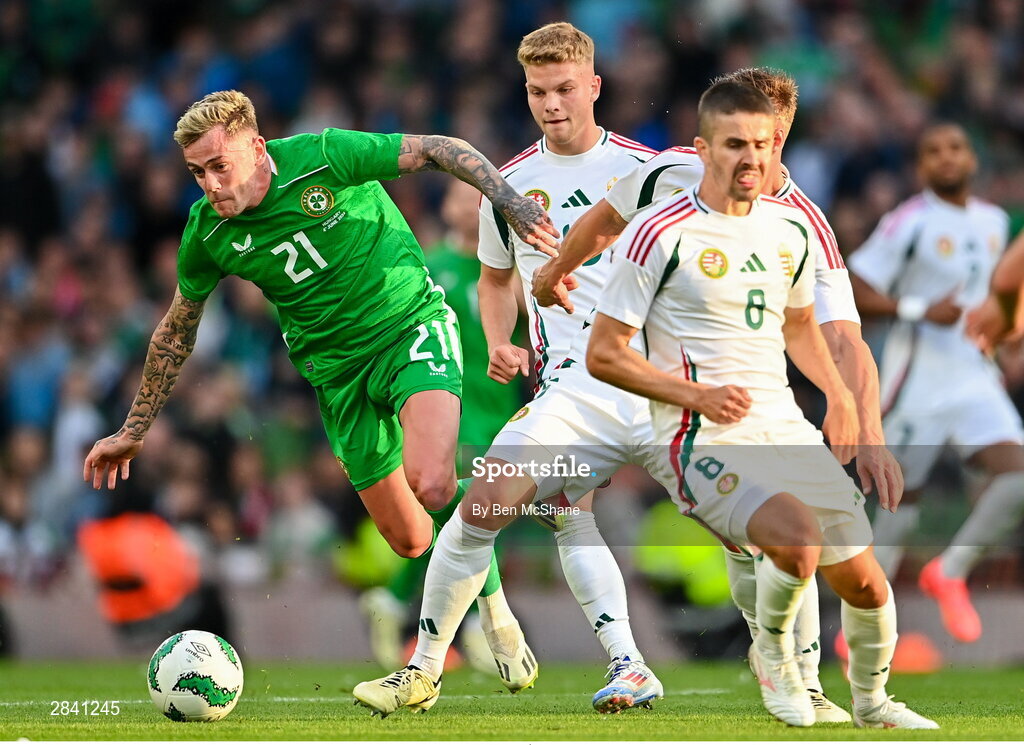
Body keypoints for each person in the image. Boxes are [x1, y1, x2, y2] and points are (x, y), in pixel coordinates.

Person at [81, 89, 557, 687]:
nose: (209, 183)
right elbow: (175, 331)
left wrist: (509, 201)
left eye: (218, 166)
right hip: (337, 377)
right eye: (196, 172)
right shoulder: (207, 235)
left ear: (256, 149)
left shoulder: (325, 156)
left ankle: (497, 615)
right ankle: (506, 493)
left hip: (407, 325)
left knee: (432, 481)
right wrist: (133, 429)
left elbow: (440, 148)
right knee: (410, 540)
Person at [532, 66, 892, 722]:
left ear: (782, 137)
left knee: (783, 531)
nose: (760, 149)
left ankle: (798, 674)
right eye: (747, 134)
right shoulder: (672, 174)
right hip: (655, 382)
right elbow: (604, 222)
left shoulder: (803, 223)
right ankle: (778, 663)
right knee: (763, 531)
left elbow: (840, 334)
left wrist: (856, 409)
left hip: (751, 400)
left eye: (773, 137)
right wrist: (556, 270)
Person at [356, 21, 663, 714]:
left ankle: (797, 672)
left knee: (750, 526)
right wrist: (500, 338)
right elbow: (497, 281)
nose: (551, 104)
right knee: (490, 509)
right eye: (536, 91)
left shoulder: (646, 171)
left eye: (563, 89)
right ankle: (428, 667)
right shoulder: (513, 184)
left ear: (593, 86)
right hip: (572, 390)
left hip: (654, 380)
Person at [848, 123, 1024, 644]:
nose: (947, 158)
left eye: (956, 148)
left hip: (974, 375)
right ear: (920, 168)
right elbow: (853, 289)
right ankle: (863, 625)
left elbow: (997, 297)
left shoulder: (994, 221)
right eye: (933, 152)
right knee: (902, 505)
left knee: (1018, 476)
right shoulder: (909, 222)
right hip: (916, 381)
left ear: (973, 157)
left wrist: (1010, 338)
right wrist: (920, 307)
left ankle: (948, 572)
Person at [358, 179, 524, 672]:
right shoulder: (428, 267)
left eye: (478, 198)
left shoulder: (508, 272)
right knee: (469, 511)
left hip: (504, 409)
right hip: (454, 411)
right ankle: (477, 627)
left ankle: (392, 600)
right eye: (457, 197)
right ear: (446, 209)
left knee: (487, 516)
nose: (469, 205)